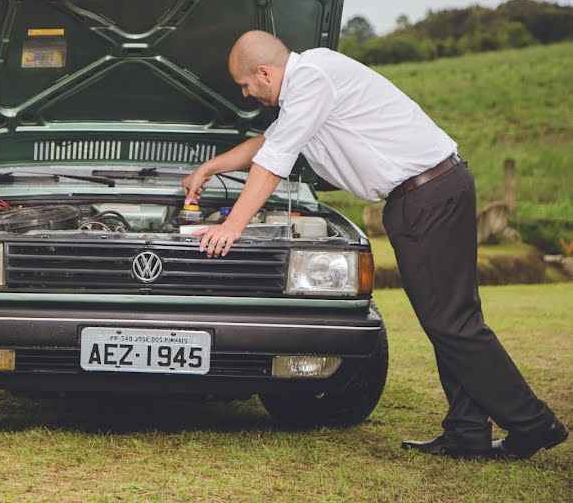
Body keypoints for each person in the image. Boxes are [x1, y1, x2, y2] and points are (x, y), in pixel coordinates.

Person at [181, 30, 567, 460]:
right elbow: (268, 144)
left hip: (426, 195)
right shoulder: (309, 83)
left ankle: (533, 423)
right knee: (451, 320)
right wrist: (211, 167)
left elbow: (274, 162)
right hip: (429, 192)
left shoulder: (312, 80)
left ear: (265, 73)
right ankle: (467, 431)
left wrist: (233, 225)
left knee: (453, 323)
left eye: (245, 84)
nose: (245, 92)